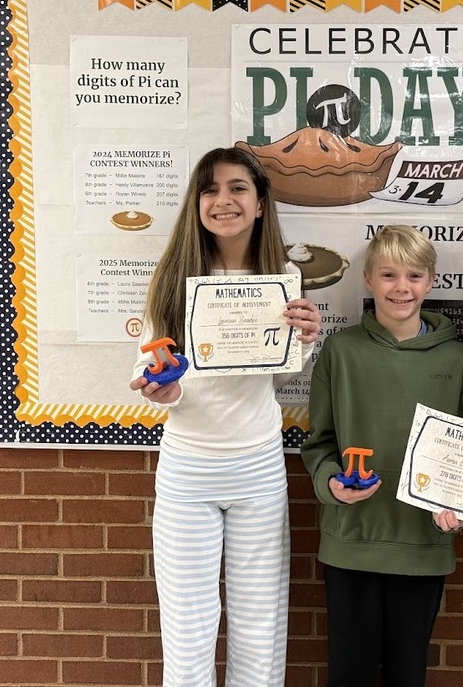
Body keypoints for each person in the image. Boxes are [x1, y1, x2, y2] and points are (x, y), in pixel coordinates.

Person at [129, 147, 322, 687]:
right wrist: (162, 391)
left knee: (260, 627)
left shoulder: (282, 276)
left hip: (258, 468)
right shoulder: (173, 276)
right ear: (197, 203)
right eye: (210, 189)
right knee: (187, 629)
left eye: (238, 188)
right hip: (188, 469)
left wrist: (307, 337)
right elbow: (148, 368)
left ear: (260, 203)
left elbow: (283, 371)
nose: (223, 200)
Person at [301, 224, 463, 687]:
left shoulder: (457, 360)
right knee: (350, 673)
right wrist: (331, 483)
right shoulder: (340, 352)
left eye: (413, 276)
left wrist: (461, 508)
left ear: (431, 281)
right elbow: (320, 442)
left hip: (422, 542)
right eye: (388, 275)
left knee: (408, 672)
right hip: (352, 538)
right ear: (368, 279)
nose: (401, 287)